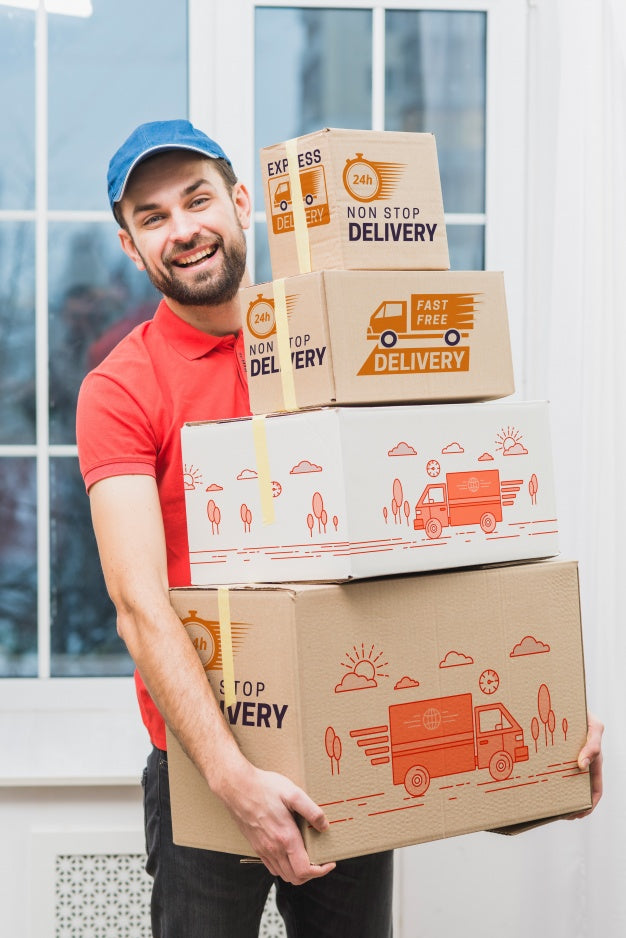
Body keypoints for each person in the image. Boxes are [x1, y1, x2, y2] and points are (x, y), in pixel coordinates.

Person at [76, 120, 604, 937]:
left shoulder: (329, 347)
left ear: (241, 202)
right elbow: (139, 603)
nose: (181, 229)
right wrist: (233, 779)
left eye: (196, 199)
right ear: (129, 244)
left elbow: (424, 547)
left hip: (345, 734)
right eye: (152, 217)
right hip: (203, 760)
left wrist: (541, 752)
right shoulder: (122, 387)